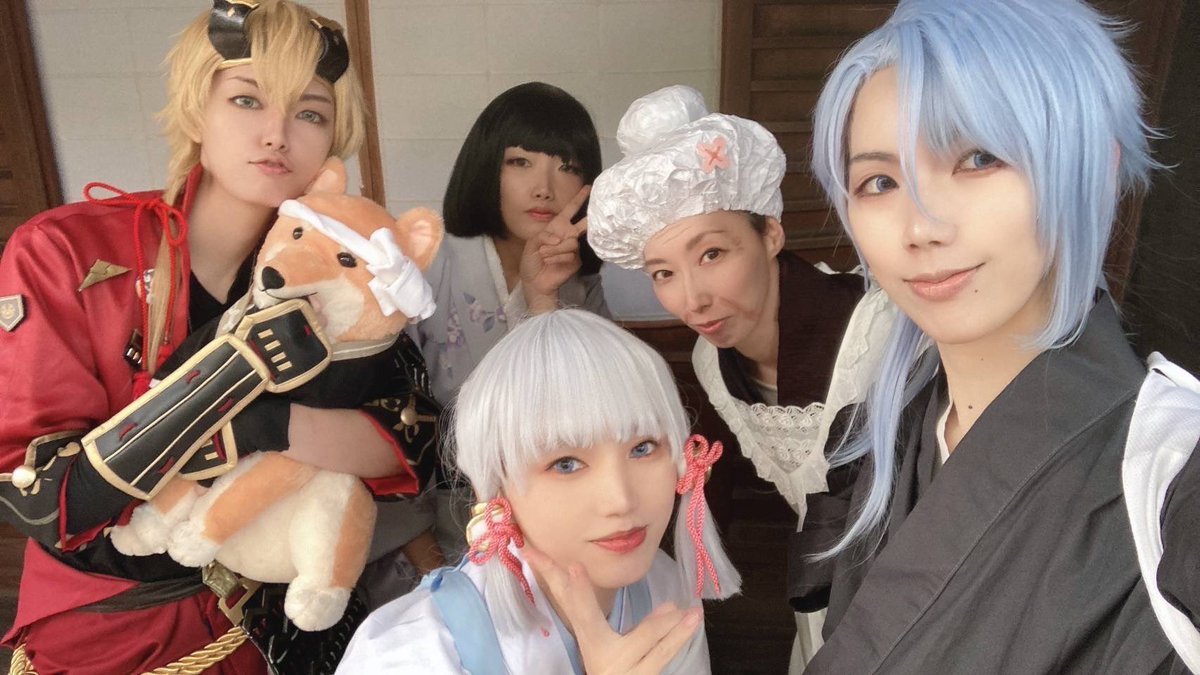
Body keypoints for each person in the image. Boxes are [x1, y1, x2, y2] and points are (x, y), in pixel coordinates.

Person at [0, 2, 438, 672]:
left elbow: (410, 443)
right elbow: (49, 497)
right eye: (246, 99)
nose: (276, 134)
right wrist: (243, 376)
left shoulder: (335, 265)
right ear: (196, 109)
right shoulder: (63, 251)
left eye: (310, 113)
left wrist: (269, 423)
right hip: (116, 627)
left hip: (287, 627)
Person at [790, 0, 1200, 671]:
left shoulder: (1175, 475)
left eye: (978, 159)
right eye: (880, 181)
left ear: (1094, 168)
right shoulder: (886, 438)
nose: (921, 226)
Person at [586, 84, 865, 668]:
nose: (692, 299)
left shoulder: (875, 330)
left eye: (711, 254)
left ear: (771, 234)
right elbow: (713, 487)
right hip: (820, 596)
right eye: (663, 273)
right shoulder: (711, 359)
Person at [338, 309, 741, 674]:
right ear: (496, 484)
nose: (621, 500)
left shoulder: (665, 587)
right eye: (566, 464)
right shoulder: (407, 654)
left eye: (643, 448)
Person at [407, 82, 611, 564]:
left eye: (568, 167)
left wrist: (544, 300)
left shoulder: (580, 283)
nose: (544, 188)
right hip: (434, 523)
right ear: (486, 168)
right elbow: (387, 418)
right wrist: (428, 561)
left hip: (555, 522)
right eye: (520, 162)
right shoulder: (426, 263)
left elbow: (600, 415)